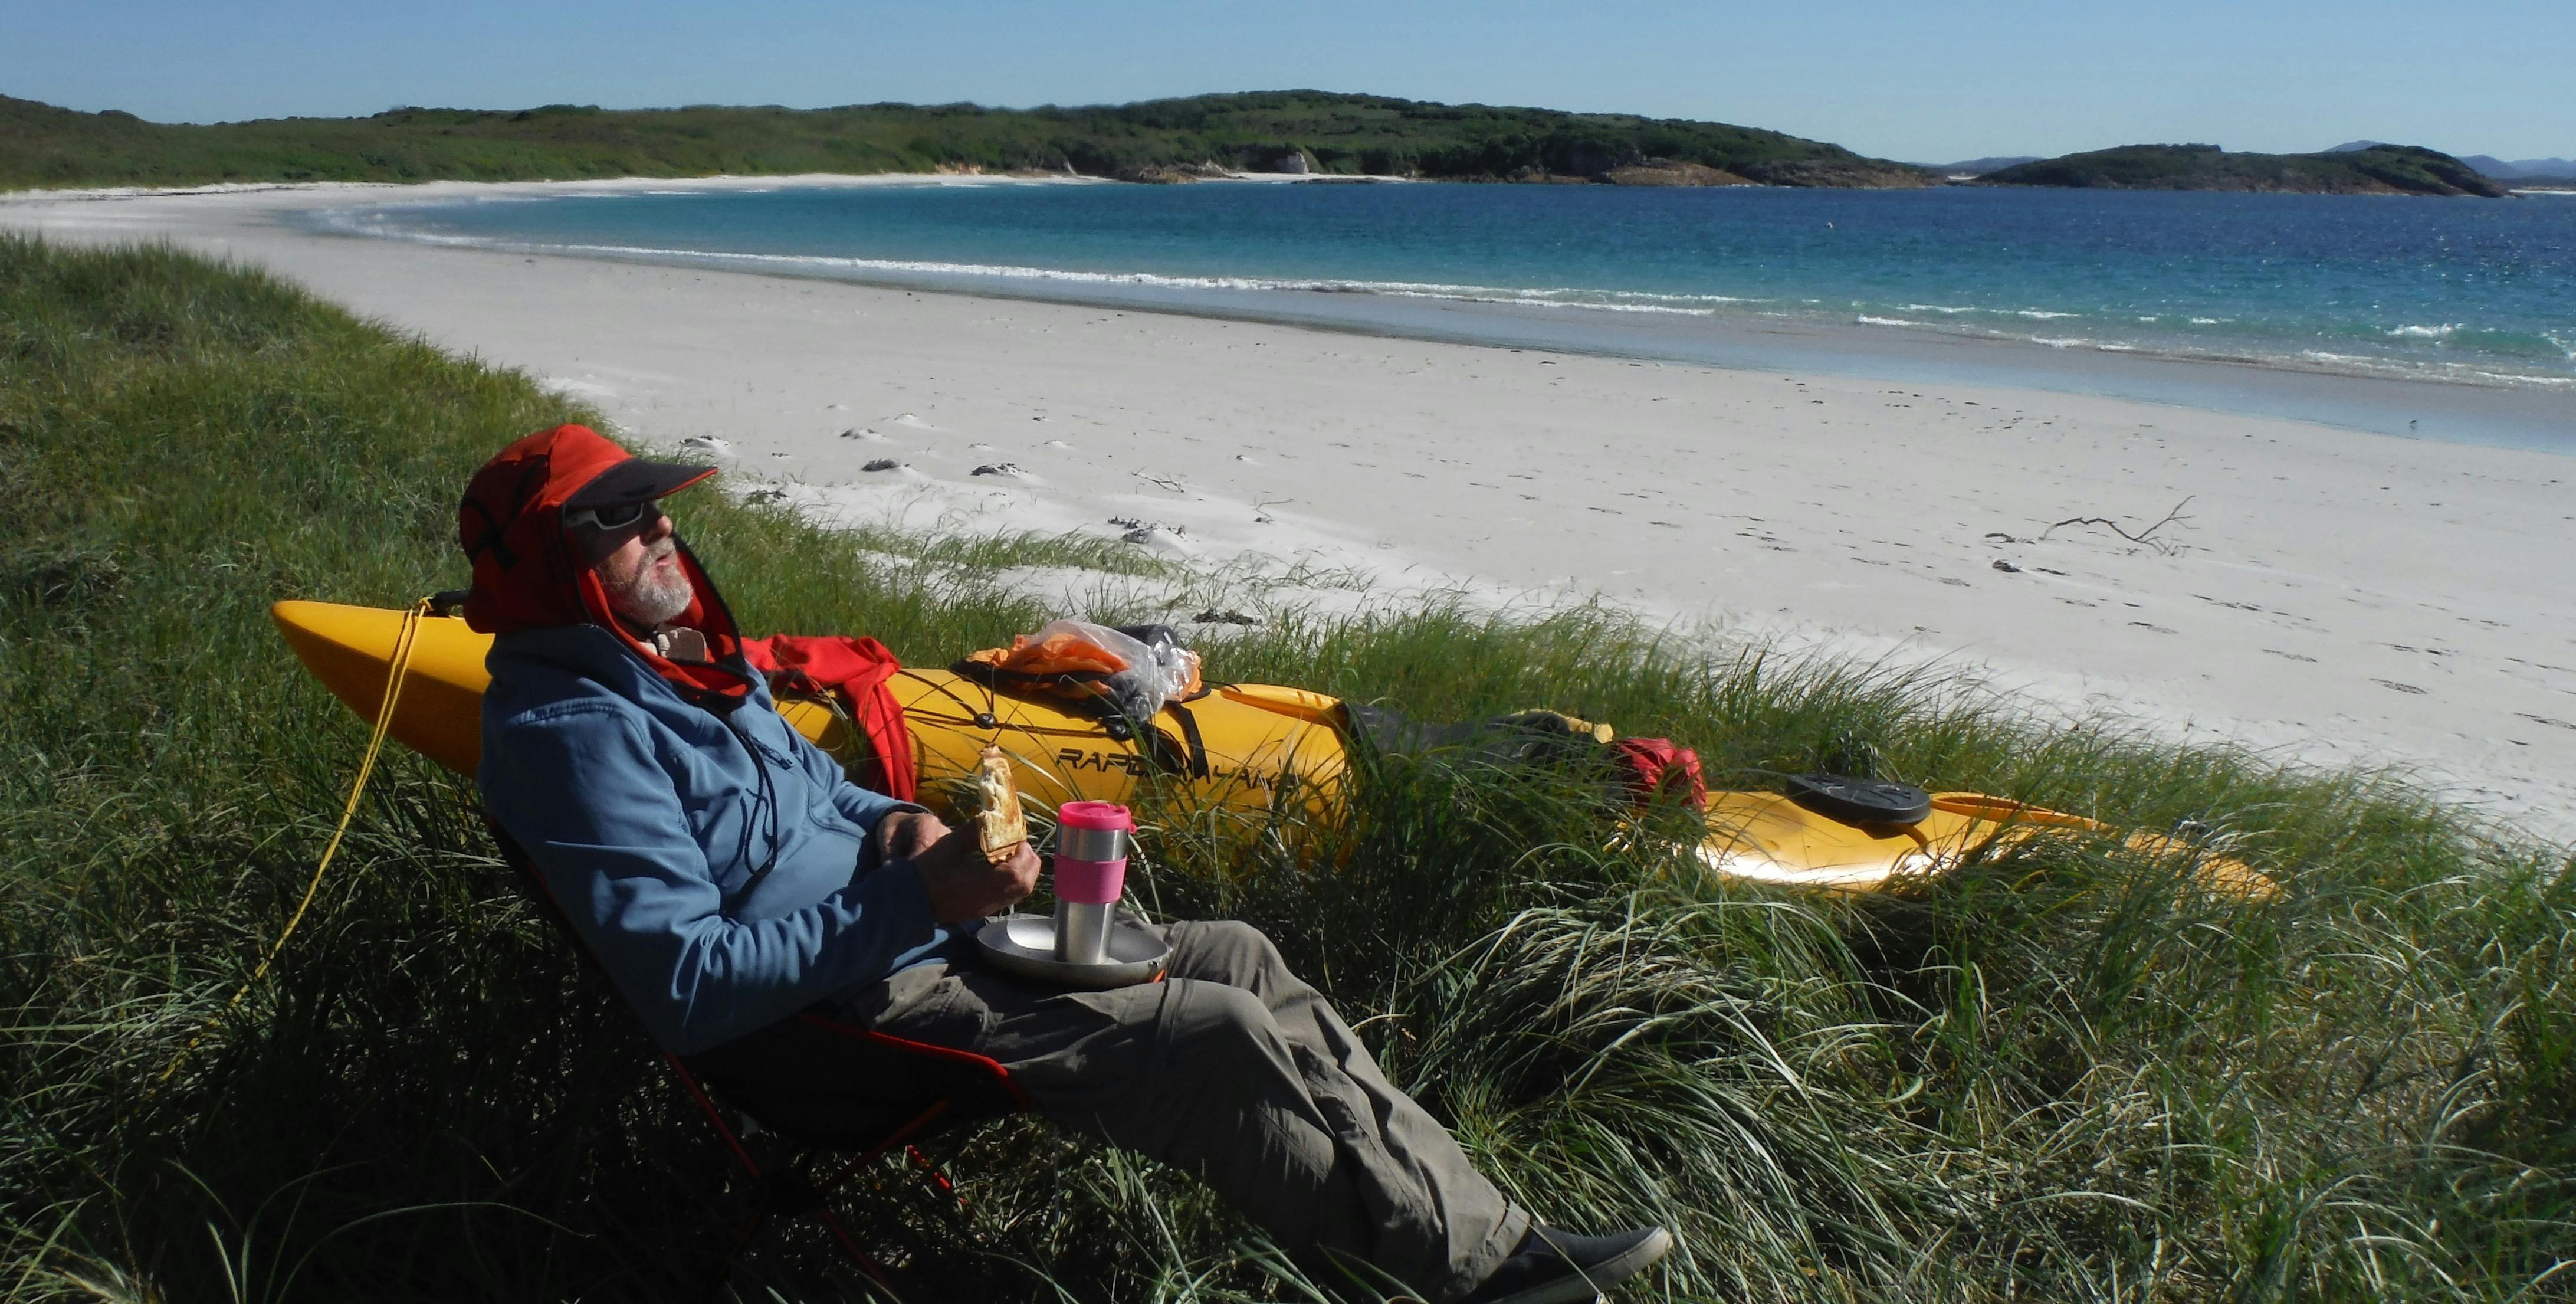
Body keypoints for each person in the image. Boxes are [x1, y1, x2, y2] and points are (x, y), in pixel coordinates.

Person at [462, 424, 1671, 1303]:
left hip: (921, 939)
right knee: (1209, 1036)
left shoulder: (674, 663)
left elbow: (818, 791)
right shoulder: (574, 737)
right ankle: (1466, 1278)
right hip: (841, 1030)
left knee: (1239, 955)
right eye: (621, 519)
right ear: (552, 565)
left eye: (657, 503)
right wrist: (915, 896)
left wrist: (900, 828)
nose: (664, 524)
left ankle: (1492, 1241)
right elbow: (686, 987)